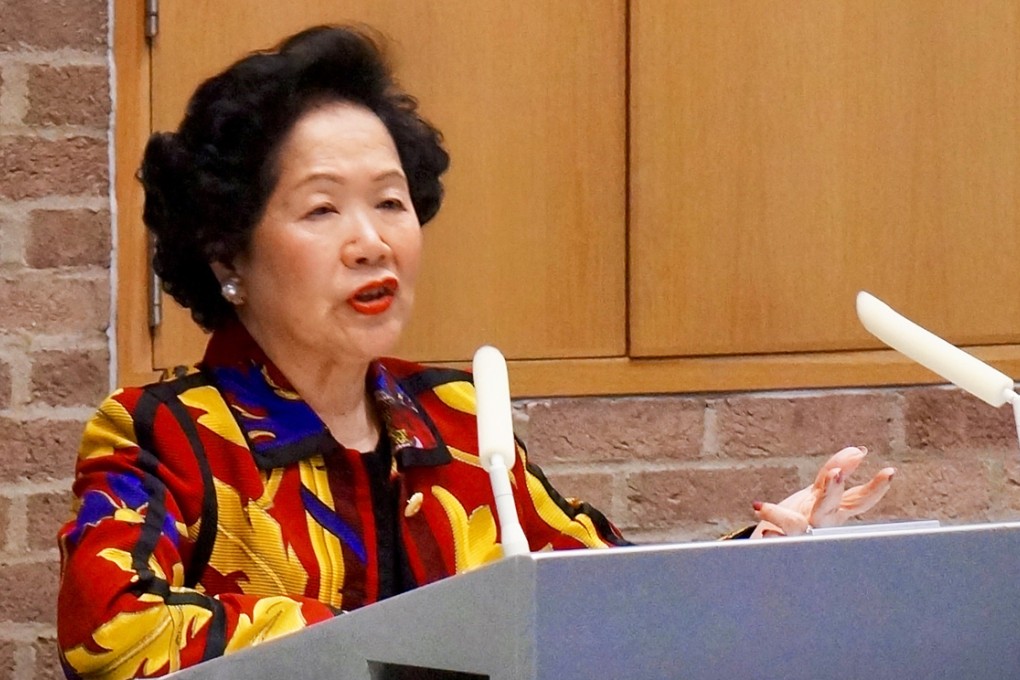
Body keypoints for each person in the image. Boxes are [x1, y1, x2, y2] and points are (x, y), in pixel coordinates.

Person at [55, 25, 895, 679]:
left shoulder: (455, 419)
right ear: (228, 252)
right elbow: (111, 639)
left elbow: (593, 597)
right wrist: (408, 647)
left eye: (391, 203)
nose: (371, 242)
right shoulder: (161, 435)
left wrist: (764, 553)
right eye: (322, 211)